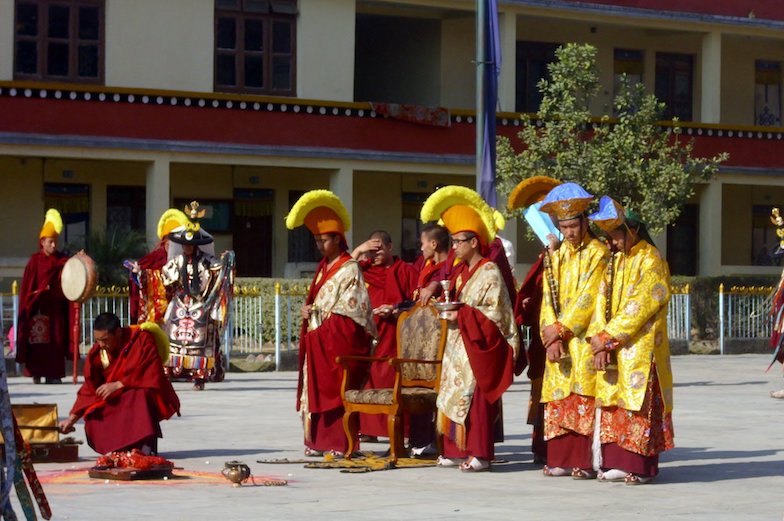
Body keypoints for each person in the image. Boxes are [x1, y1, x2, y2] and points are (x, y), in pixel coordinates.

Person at [420, 185, 519, 472]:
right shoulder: (461, 273)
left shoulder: (489, 271)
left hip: (478, 345)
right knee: (452, 393)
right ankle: (455, 450)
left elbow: (495, 315)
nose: (454, 248)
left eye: (458, 241)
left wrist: (460, 317)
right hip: (458, 344)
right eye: (452, 242)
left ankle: (480, 454)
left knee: (474, 398)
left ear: (474, 242)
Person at [587, 197, 675, 484]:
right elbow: (601, 301)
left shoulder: (652, 260)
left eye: (615, 236)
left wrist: (608, 338)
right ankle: (615, 460)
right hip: (612, 346)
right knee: (614, 403)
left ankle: (639, 466)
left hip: (641, 347)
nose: (611, 243)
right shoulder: (615, 262)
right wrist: (599, 340)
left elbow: (641, 306)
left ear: (632, 231)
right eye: (608, 237)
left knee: (638, 405)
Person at [286, 190, 376, 457]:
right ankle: (316, 442)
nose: (318, 245)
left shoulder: (350, 269)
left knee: (335, 390)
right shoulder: (324, 267)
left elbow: (354, 314)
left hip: (333, 342)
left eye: (322, 240)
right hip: (319, 340)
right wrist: (307, 311)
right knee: (314, 392)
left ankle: (338, 443)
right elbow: (317, 301)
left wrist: (321, 329)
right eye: (315, 240)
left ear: (337, 238)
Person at [538, 182, 610, 479]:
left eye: (574, 225)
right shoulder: (555, 257)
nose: (569, 232)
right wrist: (548, 336)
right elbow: (547, 298)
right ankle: (559, 459)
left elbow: (589, 298)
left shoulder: (599, 253)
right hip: (557, 340)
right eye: (564, 226)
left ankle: (583, 461)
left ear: (584, 222)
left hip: (581, 338)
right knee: (559, 397)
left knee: (582, 395)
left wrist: (561, 331)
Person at [58, 313, 180, 455]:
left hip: (138, 392)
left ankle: (145, 447)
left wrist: (119, 384)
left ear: (118, 332)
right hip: (116, 396)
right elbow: (90, 387)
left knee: (140, 395)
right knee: (94, 415)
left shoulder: (141, 339)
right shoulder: (99, 352)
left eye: (105, 340)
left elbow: (152, 371)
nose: (102, 345)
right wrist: (71, 420)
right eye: (98, 340)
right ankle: (120, 448)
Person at [507, 175, 562, 465]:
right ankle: (541, 447)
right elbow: (539, 287)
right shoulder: (547, 252)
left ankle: (558, 448)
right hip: (542, 330)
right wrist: (528, 304)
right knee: (540, 386)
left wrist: (555, 254)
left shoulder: (570, 252)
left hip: (562, 333)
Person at [351, 230, 418, 442]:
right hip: (370, 336)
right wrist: (360, 249)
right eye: (372, 249)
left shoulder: (405, 271)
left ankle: (400, 430)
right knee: (369, 381)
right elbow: (341, 271)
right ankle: (369, 430)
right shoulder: (365, 270)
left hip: (396, 335)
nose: (375, 253)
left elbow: (416, 302)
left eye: (379, 248)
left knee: (393, 381)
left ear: (390, 247)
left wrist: (396, 310)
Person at [161, 202, 234, 390]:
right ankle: (173, 372)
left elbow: (220, 272)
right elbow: (164, 276)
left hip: (200, 305)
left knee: (201, 341)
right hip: (180, 304)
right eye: (184, 244)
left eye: (190, 245)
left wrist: (227, 261)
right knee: (175, 340)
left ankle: (199, 377)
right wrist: (142, 273)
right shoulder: (176, 262)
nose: (186, 248)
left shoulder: (207, 262)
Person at [16, 209, 73, 384]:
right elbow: (27, 288)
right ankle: (36, 373)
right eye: (50, 242)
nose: (54, 245)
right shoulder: (34, 261)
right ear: (42, 242)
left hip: (56, 310)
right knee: (38, 344)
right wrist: (31, 302)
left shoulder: (61, 260)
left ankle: (54, 375)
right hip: (37, 310)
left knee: (55, 343)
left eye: (55, 242)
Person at [128, 208, 189, 325]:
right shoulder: (154, 259)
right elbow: (139, 280)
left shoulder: (187, 258)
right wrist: (141, 275)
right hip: (158, 315)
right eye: (171, 241)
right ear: (164, 241)